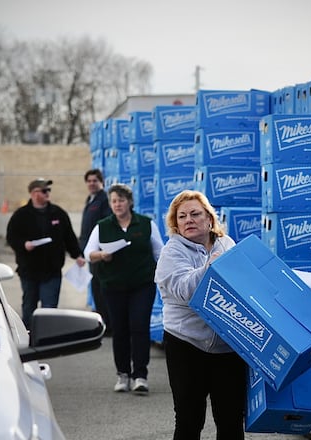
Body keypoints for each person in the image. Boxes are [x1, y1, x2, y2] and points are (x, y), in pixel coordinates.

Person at [154, 190, 247, 439]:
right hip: (186, 344)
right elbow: (185, 290)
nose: (188, 220)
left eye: (195, 214)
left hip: (228, 347)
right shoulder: (171, 252)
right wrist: (210, 267)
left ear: (209, 218)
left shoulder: (227, 244)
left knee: (231, 420)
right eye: (182, 216)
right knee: (189, 419)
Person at [83, 183, 163, 395]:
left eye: (121, 200)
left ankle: (140, 375)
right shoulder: (103, 226)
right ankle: (123, 374)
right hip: (113, 285)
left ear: (130, 202)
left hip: (142, 284)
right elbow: (88, 252)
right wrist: (101, 255)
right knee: (120, 329)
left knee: (139, 326)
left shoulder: (146, 224)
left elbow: (160, 252)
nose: (117, 204)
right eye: (114, 201)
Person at [6, 178, 85, 327]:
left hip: (52, 270)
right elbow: (11, 237)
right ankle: (29, 335)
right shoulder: (21, 215)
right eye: (44, 190)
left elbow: (69, 236)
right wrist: (24, 244)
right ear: (34, 193)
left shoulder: (58, 213)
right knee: (29, 306)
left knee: (49, 308)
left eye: (48, 190)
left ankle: (47, 337)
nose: (47, 193)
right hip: (29, 270)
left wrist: (77, 255)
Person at [79, 169, 113, 335]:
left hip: (99, 254)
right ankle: (104, 322)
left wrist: (99, 251)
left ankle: (108, 325)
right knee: (96, 289)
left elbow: (105, 226)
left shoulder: (104, 200)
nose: (92, 183)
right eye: (89, 181)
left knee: (101, 289)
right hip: (90, 253)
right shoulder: (90, 199)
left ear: (102, 182)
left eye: (95, 180)